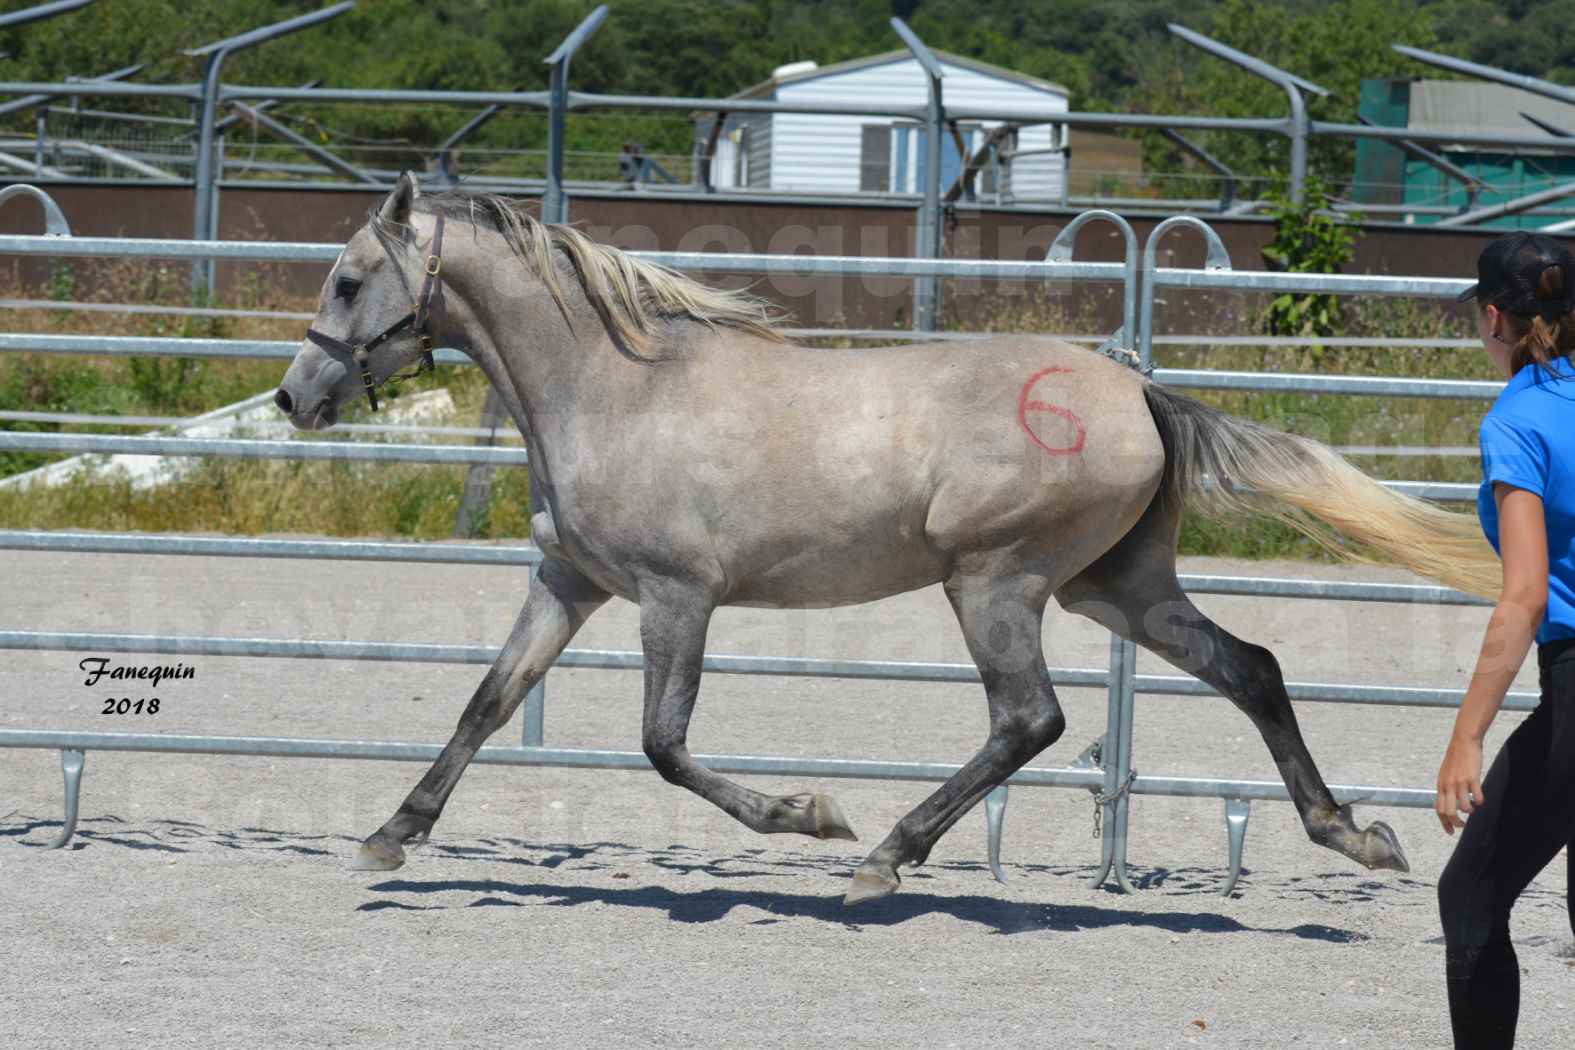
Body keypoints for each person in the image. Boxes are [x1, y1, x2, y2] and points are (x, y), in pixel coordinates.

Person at [1435, 231, 1575, 1049]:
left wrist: (1466, 737)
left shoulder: (1517, 420)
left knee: (1471, 897)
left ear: (1496, 317)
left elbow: (1521, 598)